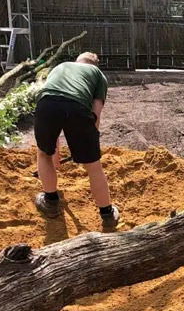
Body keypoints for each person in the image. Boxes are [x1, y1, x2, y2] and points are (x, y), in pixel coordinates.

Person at [32, 51, 120, 230]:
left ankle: (51, 202)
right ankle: (107, 214)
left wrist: (53, 153)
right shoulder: (98, 75)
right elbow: (96, 112)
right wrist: (89, 142)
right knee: (94, 167)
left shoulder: (60, 67)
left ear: (77, 61)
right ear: (94, 65)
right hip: (77, 107)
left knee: (43, 154)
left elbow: (56, 99)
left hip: (46, 104)